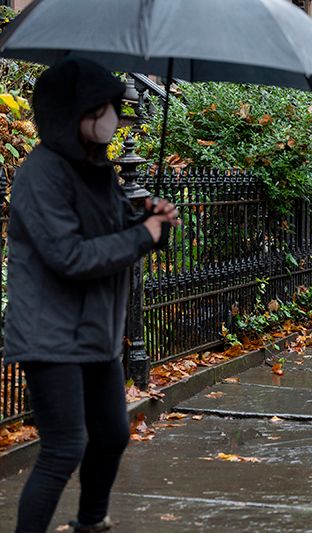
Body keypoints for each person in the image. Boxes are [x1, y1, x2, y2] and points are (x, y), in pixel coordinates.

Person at [5, 57, 180, 533]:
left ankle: (90, 523)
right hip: (51, 334)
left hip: (97, 332)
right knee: (64, 447)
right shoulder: (40, 174)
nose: (112, 117)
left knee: (111, 434)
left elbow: (112, 234)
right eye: (101, 107)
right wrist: (141, 234)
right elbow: (72, 256)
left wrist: (152, 219)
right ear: (71, 113)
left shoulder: (95, 170)